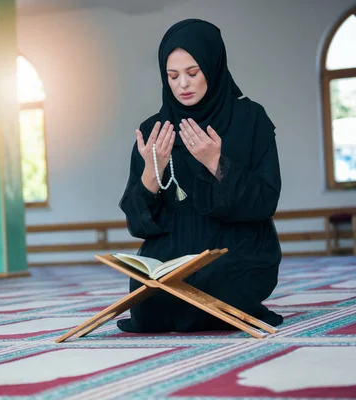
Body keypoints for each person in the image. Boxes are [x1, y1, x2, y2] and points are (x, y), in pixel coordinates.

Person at [117, 18, 284, 334]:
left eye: (193, 73)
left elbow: (266, 199)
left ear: (214, 66)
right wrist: (152, 176)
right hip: (172, 256)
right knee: (148, 304)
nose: (183, 84)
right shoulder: (156, 130)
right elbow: (137, 224)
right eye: (173, 75)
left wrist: (216, 162)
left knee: (218, 288)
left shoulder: (251, 120)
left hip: (237, 250)